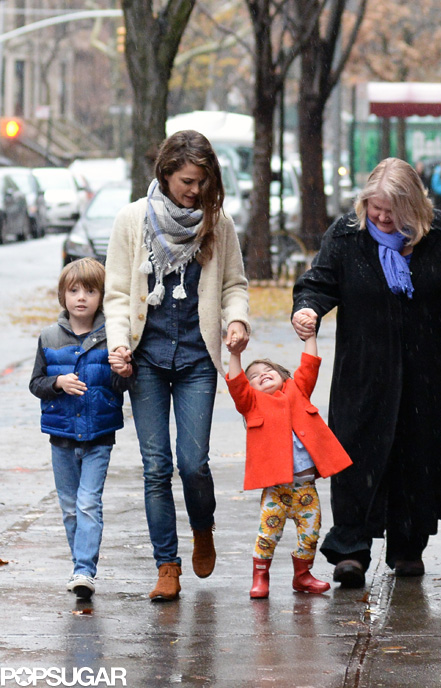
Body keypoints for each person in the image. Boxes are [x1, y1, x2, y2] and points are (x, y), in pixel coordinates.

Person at [291, 157, 441, 588]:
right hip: (364, 372)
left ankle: (409, 547)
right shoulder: (347, 236)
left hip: (426, 373)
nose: (383, 217)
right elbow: (319, 283)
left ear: (415, 207)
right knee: (355, 455)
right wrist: (307, 308)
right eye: (376, 207)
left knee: (418, 459)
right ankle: (351, 549)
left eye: (393, 210)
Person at [104, 130, 250, 602]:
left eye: (203, 183)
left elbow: (234, 285)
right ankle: (166, 565)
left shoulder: (218, 223)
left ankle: (202, 527)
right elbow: (118, 295)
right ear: (165, 174)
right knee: (154, 467)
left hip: (196, 360)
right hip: (145, 358)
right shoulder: (132, 220)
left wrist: (237, 320)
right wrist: (118, 344)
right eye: (188, 181)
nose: (195, 191)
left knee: (193, 464)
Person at [29, 258, 133, 600]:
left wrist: (125, 370)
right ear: (63, 295)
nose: (81, 298)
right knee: (70, 507)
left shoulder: (112, 337)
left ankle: (85, 570)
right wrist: (57, 382)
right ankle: (79, 568)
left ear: (102, 297)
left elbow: (119, 384)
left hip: (99, 437)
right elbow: (36, 383)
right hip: (60, 437)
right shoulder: (49, 336)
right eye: (74, 291)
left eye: (90, 291)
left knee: (89, 503)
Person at [226, 322, 352, 598]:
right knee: (268, 534)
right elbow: (236, 385)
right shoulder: (251, 404)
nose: (262, 375)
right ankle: (260, 577)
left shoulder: (298, 390)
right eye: (255, 376)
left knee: (311, 534)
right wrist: (235, 355)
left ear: (283, 376)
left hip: (306, 488)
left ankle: (303, 576)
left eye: (268, 370)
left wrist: (310, 337)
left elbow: (309, 365)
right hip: (276, 490)